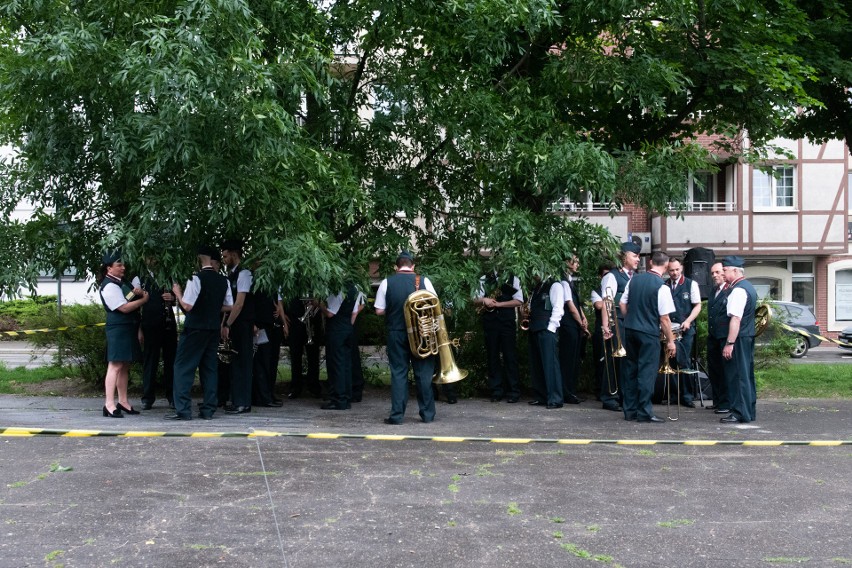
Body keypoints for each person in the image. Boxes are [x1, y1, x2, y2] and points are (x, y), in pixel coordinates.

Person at [167, 246, 233, 420]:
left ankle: (183, 410)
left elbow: (187, 306)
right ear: (213, 260)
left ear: (200, 259)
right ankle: (208, 409)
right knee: (209, 369)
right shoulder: (223, 281)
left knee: (182, 367)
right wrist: (211, 307)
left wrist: (178, 294)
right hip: (212, 329)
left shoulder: (195, 279)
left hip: (195, 327)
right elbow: (230, 306)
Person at [374, 251, 437, 424]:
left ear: (396, 267)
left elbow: (379, 310)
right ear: (413, 266)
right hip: (422, 335)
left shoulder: (386, 282)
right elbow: (435, 306)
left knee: (399, 373)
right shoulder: (424, 281)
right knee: (423, 374)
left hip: (396, 333)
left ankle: (397, 416)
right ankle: (427, 415)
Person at [619, 251, 676, 423]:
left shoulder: (633, 279)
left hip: (630, 329)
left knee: (631, 370)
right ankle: (644, 411)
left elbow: (622, 303)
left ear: (651, 262)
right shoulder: (662, 287)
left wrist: (631, 319)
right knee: (646, 372)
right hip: (648, 333)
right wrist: (671, 341)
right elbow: (664, 318)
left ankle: (629, 411)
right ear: (666, 267)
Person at [99, 250, 149, 418]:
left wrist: (138, 293)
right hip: (118, 328)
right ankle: (109, 404)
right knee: (115, 365)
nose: (123, 267)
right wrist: (143, 300)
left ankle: (123, 401)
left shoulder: (121, 282)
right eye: (118, 265)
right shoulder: (109, 285)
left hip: (128, 327)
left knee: (125, 365)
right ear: (109, 268)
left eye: (123, 264)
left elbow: (129, 297)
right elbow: (123, 307)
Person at [599, 242, 641, 410]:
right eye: (635, 256)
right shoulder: (612, 276)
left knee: (628, 361)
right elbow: (607, 302)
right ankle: (610, 397)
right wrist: (605, 326)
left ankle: (625, 396)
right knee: (615, 360)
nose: (638, 259)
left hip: (631, 323)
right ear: (625, 257)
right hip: (618, 323)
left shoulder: (635, 277)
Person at [132, 257, 177, 410]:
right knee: (150, 361)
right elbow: (134, 306)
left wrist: (172, 298)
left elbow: (179, 297)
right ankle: (147, 398)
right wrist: (139, 329)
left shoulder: (169, 275)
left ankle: (172, 396)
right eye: (150, 257)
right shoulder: (139, 278)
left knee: (171, 361)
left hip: (168, 323)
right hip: (149, 324)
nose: (154, 260)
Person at [718, 256, 758, 423]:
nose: (723, 273)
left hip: (739, 339)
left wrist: (730, 343)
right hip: (746, 337)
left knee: (738, 375)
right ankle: (748, 411)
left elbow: (735, 319)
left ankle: (740, 412)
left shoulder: (738, 290)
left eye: (725, 270)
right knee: (746, 375)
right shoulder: (748, 287)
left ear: (735, 270)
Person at [474, 270, 523, 403]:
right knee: (492, 356)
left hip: (507, 323)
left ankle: (513, 391)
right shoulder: (484, 278)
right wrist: (484, 299)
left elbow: (519, 301)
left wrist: (499, 304)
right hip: (490, 323)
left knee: (510, 356)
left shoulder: (514, 278)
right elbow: (475, 299)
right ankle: (496, 391)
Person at [221, 239, 254, 414]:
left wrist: (228, 323)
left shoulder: (244, 274)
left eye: (226, 256)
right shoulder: (231, 275)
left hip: (242, 324)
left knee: (243, 363)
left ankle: (243, 402)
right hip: (233, 323)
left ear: (234, 254)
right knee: (235, 363)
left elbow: (239, 304)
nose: (224, 259)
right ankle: (236, 399)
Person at [320, 283, 366, 410]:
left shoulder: (338, 288)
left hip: (336, 330)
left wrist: (319, 305)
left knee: (337, 365)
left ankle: (338, 399)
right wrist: (348, 327)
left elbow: (330, 313)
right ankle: (346, 397)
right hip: (348, 328)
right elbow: (355, 312)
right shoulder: (356, 288)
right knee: (346, 365)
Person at [666, 257, 702, 407]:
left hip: (685, 329)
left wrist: (688, 321)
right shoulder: (665, 285)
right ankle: (675, 395)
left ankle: (687, 396)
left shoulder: (691, 284)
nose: (674, 273)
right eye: (671, 270)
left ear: (681, 268)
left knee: (685, 362)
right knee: (671, 362)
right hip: (670, 329)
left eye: (676, 270)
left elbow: (697, 306)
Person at [526, 273, 565, 409]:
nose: (533, 273)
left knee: (550, 365)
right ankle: (541, 396)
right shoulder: (537, 287)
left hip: (546, 329)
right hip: (534, 328)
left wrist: (551, 328)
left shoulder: (554, 284)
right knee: (537, 364)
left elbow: (558, 308)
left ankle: (555, 398)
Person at [590, 262, 621, 411]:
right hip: (602, 328)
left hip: (617, 328)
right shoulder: (596, 291)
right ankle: (604, 394)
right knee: (604, 362)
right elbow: (600, 305)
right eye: (604, 275)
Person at [559, 255, 587, 405]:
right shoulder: (564, 281)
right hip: (568, 325)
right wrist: (580, 321)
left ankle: (571, 391)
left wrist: (583, 319)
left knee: (574, 360)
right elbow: (570, 305)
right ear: (567, 263)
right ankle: (567, 392)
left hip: (574, 325)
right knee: (568, 360)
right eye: (575, 261)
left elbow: (578, 304)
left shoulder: (569, 280)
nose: (577, 264)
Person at [284, 297, 323, 399]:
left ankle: (314, 386)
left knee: (313, 356)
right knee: (295, 355)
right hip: (295, 318)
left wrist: (316, 303)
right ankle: (295, 387)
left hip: (313, 319)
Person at [706, 261, 730, 414]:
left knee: (724, 370)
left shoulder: (730, 290)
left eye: (717, 272)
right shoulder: (714, 290)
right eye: (712, 273)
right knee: (714, 369)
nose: (714, 275)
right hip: (713, 336)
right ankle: (717, 400)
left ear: (724, 272)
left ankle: (725, 403)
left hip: (724, 336)